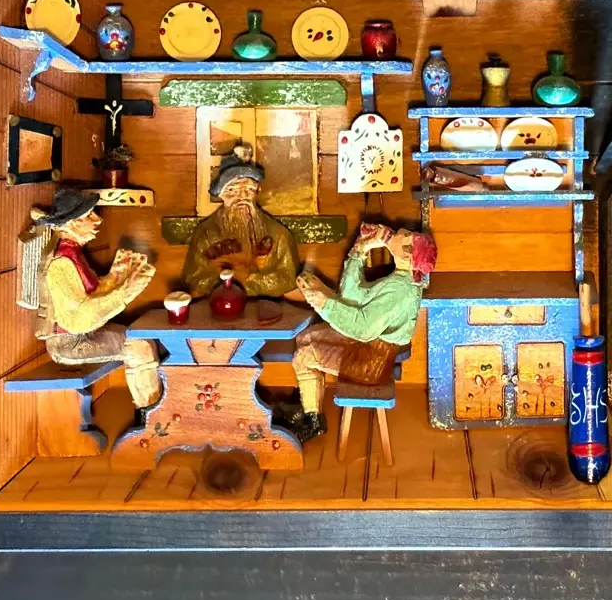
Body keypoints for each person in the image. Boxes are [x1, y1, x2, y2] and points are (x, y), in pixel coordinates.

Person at [290, 224, 437, 441]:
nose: (399, 230)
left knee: (303, 356)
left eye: (405, 235)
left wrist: (325, 304)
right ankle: (307, 400)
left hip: (369, 363)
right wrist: (360, 250)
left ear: (408, 254)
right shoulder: (399, 279)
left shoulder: (399, 290)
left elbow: (363, 329)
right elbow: (351, 297)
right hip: (365, 345)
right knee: (305, 337)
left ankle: (313, 421)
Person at [36, 188, 161, 409]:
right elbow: (78, 320)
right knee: (139, 347)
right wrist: (125, 292)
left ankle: (151, 405)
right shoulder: (60, 264)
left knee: (141, 337)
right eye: (89, 216)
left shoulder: (73, 254)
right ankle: (150, 411)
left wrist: (118, 276)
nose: (98, 220)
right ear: (72, 224)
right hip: (69, 343)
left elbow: (92, 293)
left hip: (85, 334)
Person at [182, 146, 300, 299]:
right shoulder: (206, 234)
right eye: (232, 191)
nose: (242, 197)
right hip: (219, 306)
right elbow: (193, 280)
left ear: (257, 192)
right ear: (221, 194)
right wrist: (229, 280)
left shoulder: (278, 235)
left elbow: (288, 279)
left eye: (249, 190)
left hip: (266, 307)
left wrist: (250, 278)